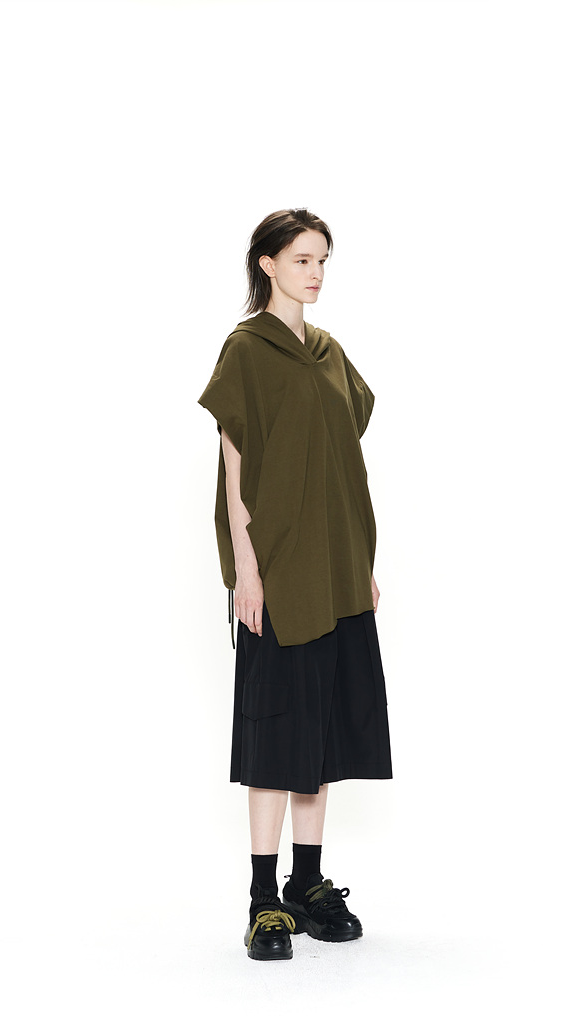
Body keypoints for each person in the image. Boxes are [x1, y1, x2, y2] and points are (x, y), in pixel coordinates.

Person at [198, 208, 392, 961]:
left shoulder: (329, 353)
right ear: (268, 264)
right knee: (276, 732)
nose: (315, 273)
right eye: (302, 259)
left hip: (339, 570)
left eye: (322, 261)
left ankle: (307, 885)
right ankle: (262, 899)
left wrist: (361, 565)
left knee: (324, 732)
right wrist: (246, 572)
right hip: (278, 573)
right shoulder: (247, 350)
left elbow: (338, 463)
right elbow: (236, 469)